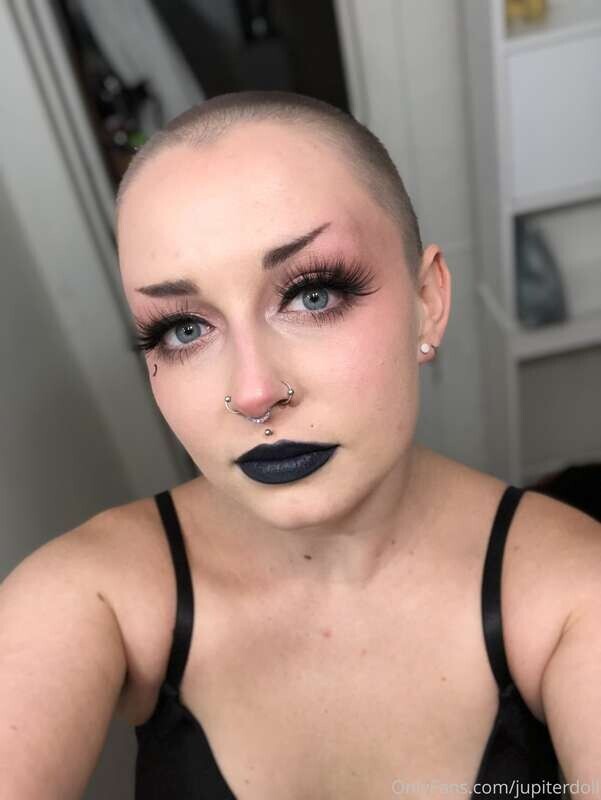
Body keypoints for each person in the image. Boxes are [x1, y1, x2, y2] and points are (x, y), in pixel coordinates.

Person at [1, 90, 600, 800]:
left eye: (313, 294)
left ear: (427, 300)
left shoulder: (573, 591)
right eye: (184, 329)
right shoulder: (87, 595)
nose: (254, 392)